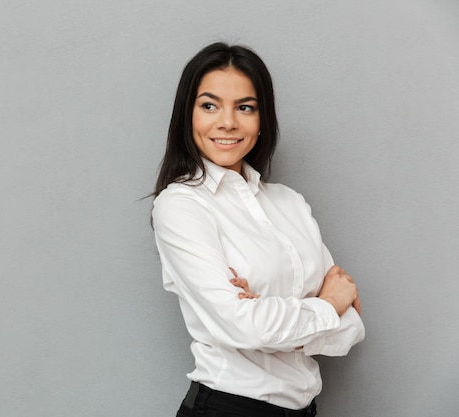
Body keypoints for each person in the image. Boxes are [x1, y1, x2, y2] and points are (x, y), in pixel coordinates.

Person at [151, 42, 365, 417]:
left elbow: (351, 330)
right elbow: (245, 328)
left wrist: (269, 313)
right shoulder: (181, 205)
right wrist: (327, 305)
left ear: (262, 118)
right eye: (209, 105)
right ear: (187, 115)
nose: (228, 122)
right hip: (226, 409)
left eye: (245, 107)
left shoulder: (290, 203)